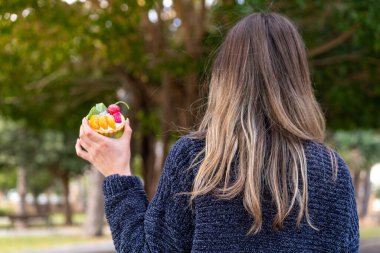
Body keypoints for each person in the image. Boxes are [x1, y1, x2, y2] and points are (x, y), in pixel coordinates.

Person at [76, 12, 359, 252]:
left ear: (225, 78)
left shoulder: (196, 160)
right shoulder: (333, 173)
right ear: (299, 80)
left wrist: (117, 172)